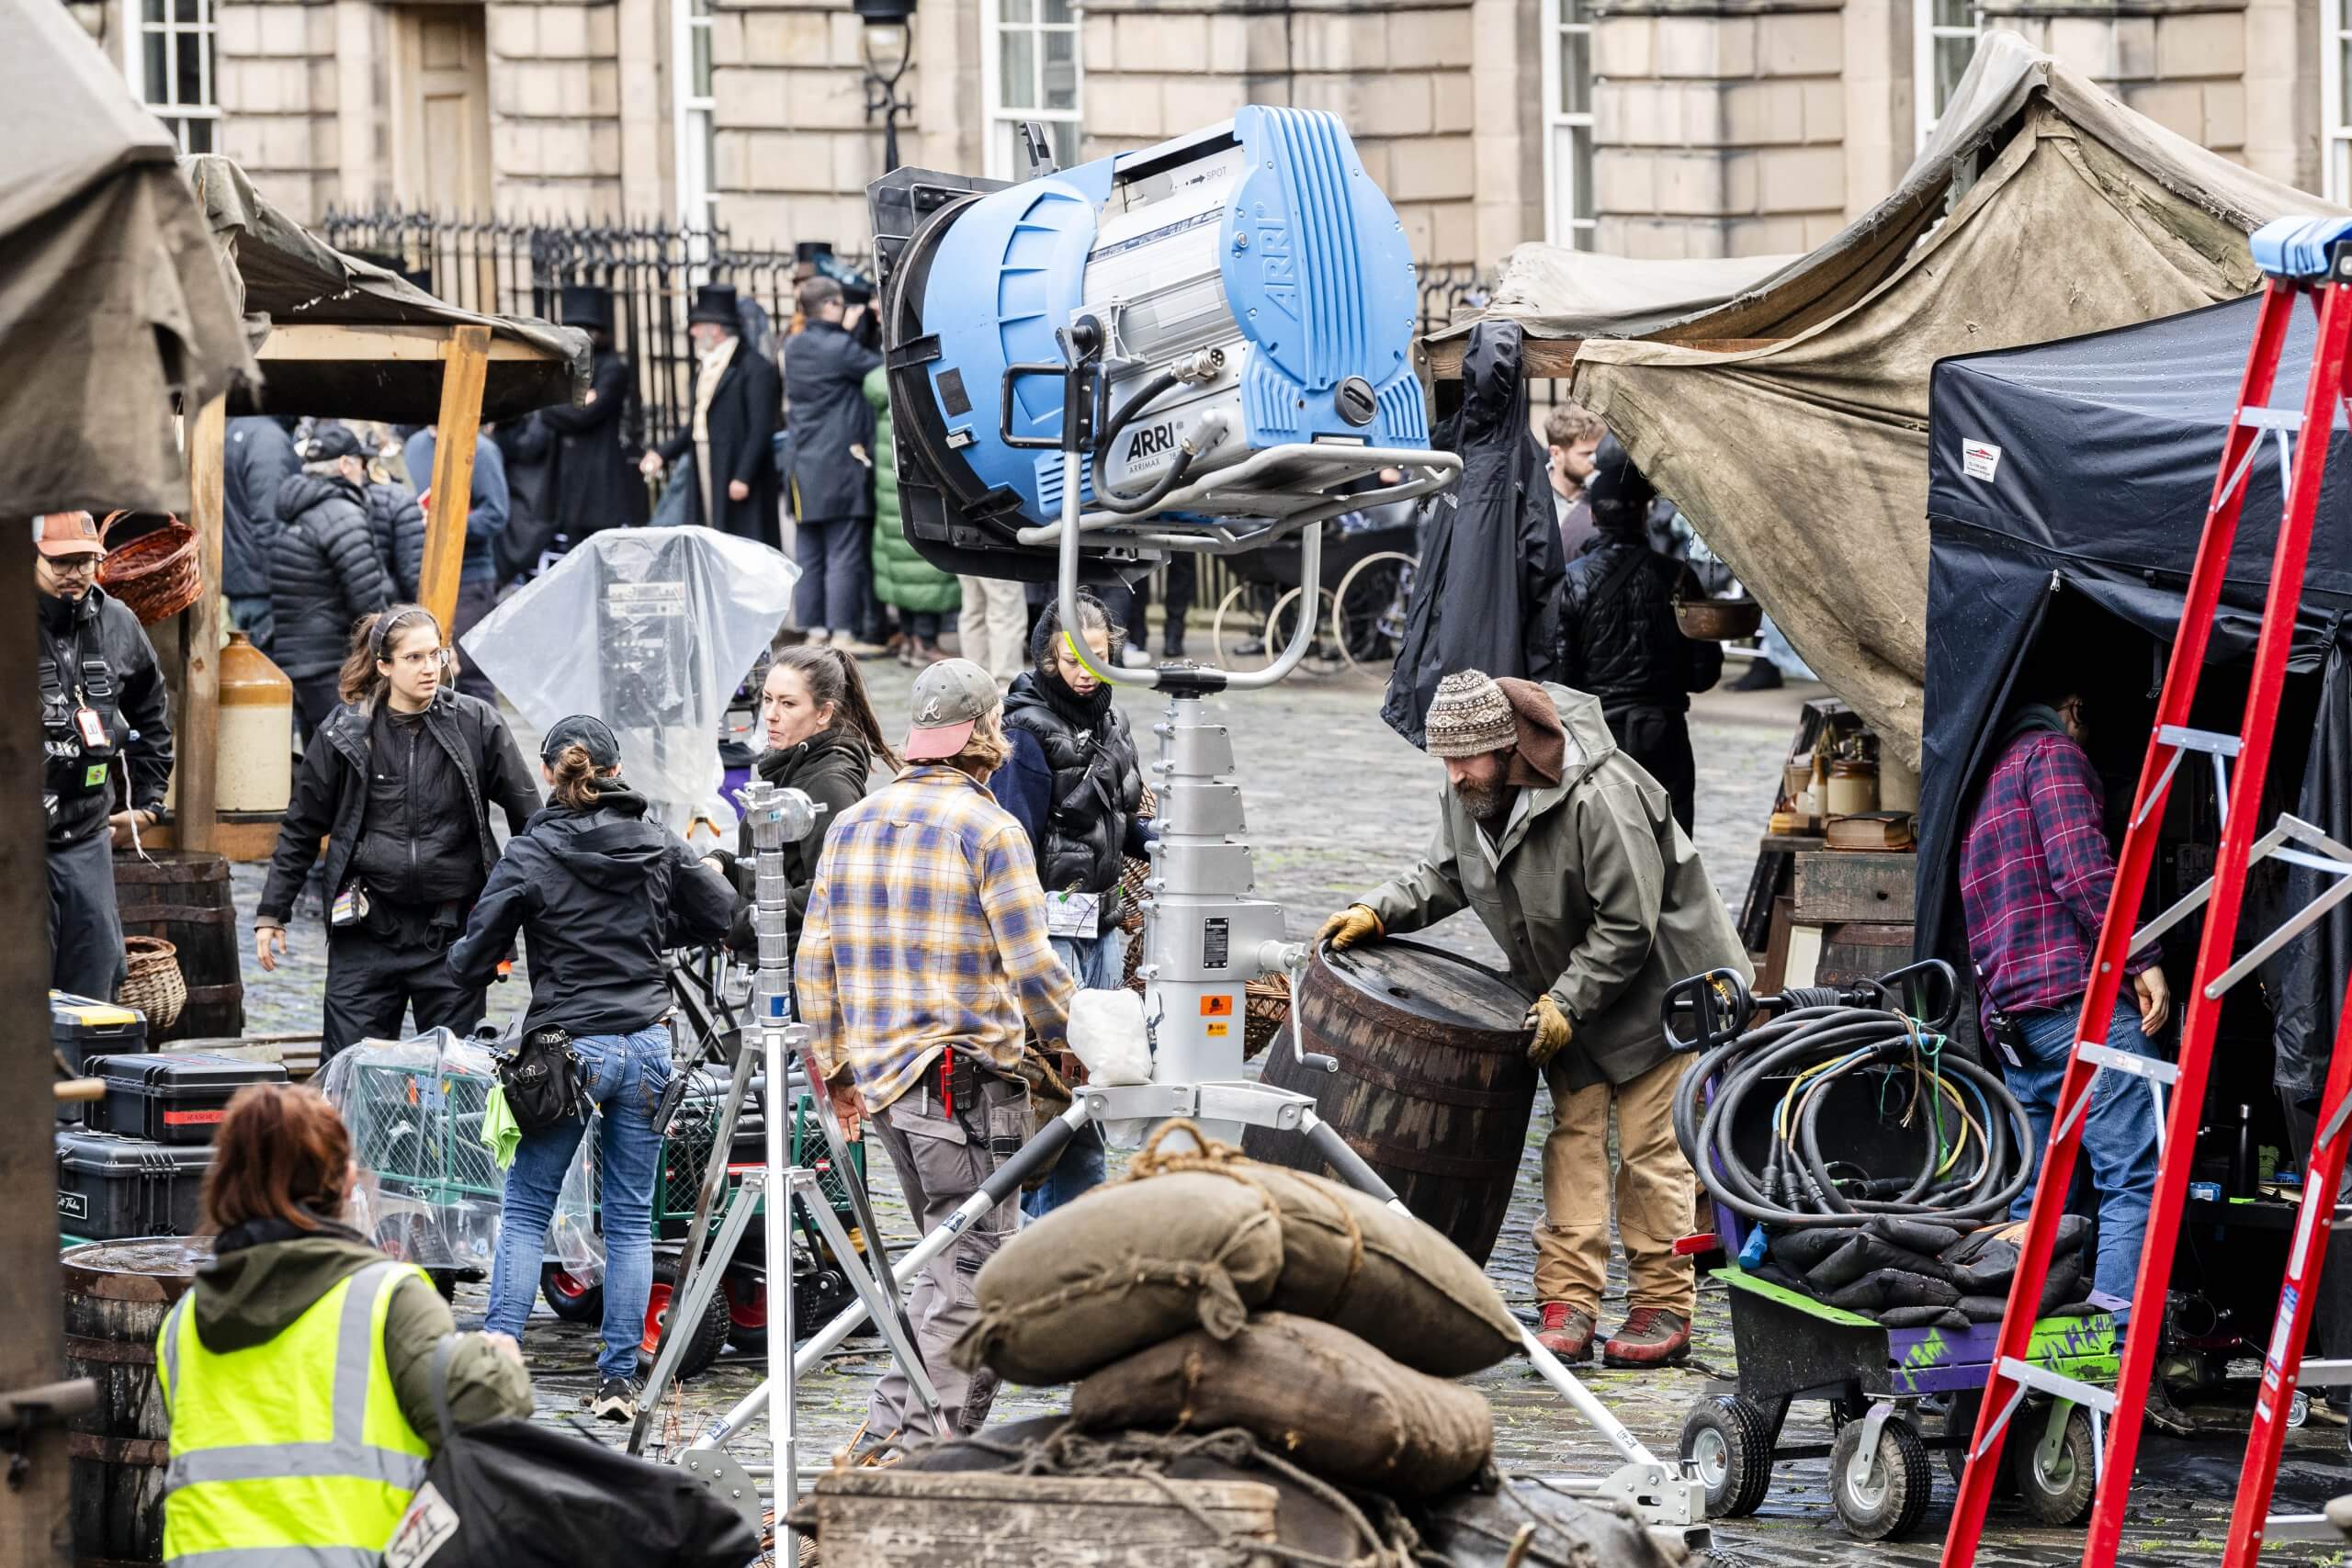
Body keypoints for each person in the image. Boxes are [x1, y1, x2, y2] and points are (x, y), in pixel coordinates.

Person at [1323, 669, 1747, 1368]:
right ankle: (1570, 1298)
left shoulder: (1598, 795)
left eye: (1466, 760)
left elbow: (1628, 926)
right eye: (1446, 760)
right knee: (1573, 1139)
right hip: (1566, 989)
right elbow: (1447, 872)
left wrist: (1566, 1001)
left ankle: (1661, 1303)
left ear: (1507, 748)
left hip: (1662, 991)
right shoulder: (1472, 791)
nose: (1455, 775)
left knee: (1649, 1154)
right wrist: (1378, 908)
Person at [796, 658, 1076, 1441]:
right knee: (971, 1277)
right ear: (986, 734)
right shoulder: (990, 829)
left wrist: (840, 1072)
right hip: (963, 1087)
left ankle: (908, 1438)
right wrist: (1084, 1040)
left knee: (948, 1263)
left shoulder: (854, 822)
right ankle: (917, 1452)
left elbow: (813, 965)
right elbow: (1034, 970)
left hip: (889, 1086)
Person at [450, 715, 735, 1416]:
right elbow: (723, 909)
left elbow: (471, 954)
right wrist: (660, 927)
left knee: (524, 1212)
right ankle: (617, 1380)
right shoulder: (654, 838)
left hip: (567, 1050)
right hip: (645, 1042)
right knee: (632, 1219)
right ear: (614, 770)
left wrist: (486, 954)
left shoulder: (533, 849)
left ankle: (496, 1366)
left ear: (551, 772)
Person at [158, 1083, 531, 1568]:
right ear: (348, 1180)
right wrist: (498, 1362)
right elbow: (492, 1408)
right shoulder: (389, 1300)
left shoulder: (182, 1325)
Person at [1959, 681, 2166, 1327]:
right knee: (2132, 1178)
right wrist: (2145, 958)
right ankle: (2113, 1353)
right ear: (2075, 708)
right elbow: (2082, 872)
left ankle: (2013, 1345)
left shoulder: (1984, 776)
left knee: (2040, 1204)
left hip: (2015, 1026)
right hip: (2075, 1005)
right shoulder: (2051, 755)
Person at [254, 604, 540, 1059]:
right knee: (349, 1074)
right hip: (366, 931)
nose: (430, 669)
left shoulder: (477, 723)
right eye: (414, 658)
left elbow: (531, 820)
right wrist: (272, 912)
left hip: (452, 935)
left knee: (456, 1084)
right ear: (384, 666)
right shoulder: (343, 732)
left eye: (436, 655)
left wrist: (527, 909)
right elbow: (302, 827)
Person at [992, 592, 1154, 1214]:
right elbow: (1015, 847)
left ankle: (1077, 1234)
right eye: (1072, 659)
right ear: (1044, 658)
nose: (1087, 672)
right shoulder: (1025, 732)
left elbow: (1124, 817)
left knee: (1097, 1094)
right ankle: (1041, 1242)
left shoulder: (1114, 722)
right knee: (1053, 1097)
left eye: (1100, 657)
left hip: (1104, 927)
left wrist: (1167, 841)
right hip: (1050, 936)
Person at [1553, 437, 1723, 836]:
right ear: (1644, 515)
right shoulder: (1678, 577)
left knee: (1603, 842)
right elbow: (1703, 674)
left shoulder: (1572, 582)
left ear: (1594, 515)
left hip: (1597, 735)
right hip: (1663, 732)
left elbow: (1561, 678)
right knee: (1672, 843)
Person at [36, 512, 172, 1000]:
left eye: (86, 561)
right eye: (61, 562)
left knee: (94, 980)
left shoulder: (118, 620)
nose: (75, 573)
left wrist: (151, 801)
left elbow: (153, 712)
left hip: (87, 835)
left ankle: (81, 1078)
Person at [709, 643, 894, 952]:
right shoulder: (792, 763)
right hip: (780, 958)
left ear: (824, 713)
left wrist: (746, 924)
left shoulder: (828, 784)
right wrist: (722, 864)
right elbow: (778, 866)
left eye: (788, 704)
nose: (770, 715)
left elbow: (831, 889)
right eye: (767, 699)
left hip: (802, 970)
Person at [781, 276, 886, 652]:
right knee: (843, 552)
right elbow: (880, 366)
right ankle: (842, 630)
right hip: (840, 464)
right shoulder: (840, 347)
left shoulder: (792, 346)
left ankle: (814, 630)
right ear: (829, 305)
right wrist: (857, 330)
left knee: (809, 552)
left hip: (802, 466)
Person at [271, 425, 396, 734]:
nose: (364, 473)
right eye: (361, 464)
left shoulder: (295, 511)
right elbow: (368, 603)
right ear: (344, 465)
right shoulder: (343, 515)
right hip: (331, 663)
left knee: (320, 762)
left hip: (298, 660)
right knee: (347, 761)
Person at [642, 283, 783, 547]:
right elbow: (696, 423)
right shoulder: (706, 366)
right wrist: (662, 453)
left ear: (715, 329)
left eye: (697, 325)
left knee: (740, 542)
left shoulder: (754, 367)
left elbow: (761, 427)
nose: (693, 332)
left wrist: (743, 475)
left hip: (735, 464)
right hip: (706, 459)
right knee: (710, 533)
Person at [401, 423, 511, 704]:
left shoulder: (482, 451)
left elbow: (496, 514)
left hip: (469, 578)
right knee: (430, 674)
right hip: (423, 574)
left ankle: (486, 746)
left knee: (471, 677)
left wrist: (444, 524)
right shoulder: (414, 445)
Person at [539, 282, 646, 552]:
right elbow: (547, 407)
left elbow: (584, 417)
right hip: (569, 480)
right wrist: (565, 403)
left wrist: (558, 405)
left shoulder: (612, 368)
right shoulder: (566, 367)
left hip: (599, 481)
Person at [865, 365, 958, 665]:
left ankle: (909, 639)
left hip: (890, 491)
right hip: (919, 488)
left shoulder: (881, 385)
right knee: (925, 566)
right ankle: (925, 642)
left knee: (901, 565)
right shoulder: (919, 382)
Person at [222, 415, 300, 652]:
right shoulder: (268, 439)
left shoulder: (233, 428)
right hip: (263, 589)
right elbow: (270, 520)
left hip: (240, 579)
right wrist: (287, 586)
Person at [1544, 401, 1606, 562]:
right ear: (1556, 453)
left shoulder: (1605, 492)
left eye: (1597, 452)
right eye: (1586, 454)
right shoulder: (1530, 496)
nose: (1594, 460)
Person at [958, 570, 1031, 684]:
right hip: (997, 557)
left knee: (974, 612)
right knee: (1006, 614)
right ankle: (1006, 683)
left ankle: (974, 682)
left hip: (960, 555)